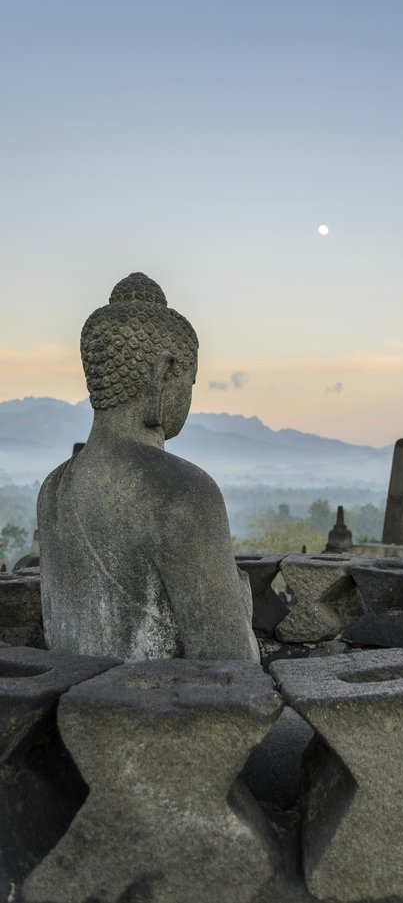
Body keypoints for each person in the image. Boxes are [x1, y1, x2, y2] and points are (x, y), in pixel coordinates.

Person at [38, 272, 259, 661]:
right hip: (157, 699)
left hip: (69, 698)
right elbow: (232, 665)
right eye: (190, 381)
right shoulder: (182, 491)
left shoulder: (53, 487)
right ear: (164, 373)